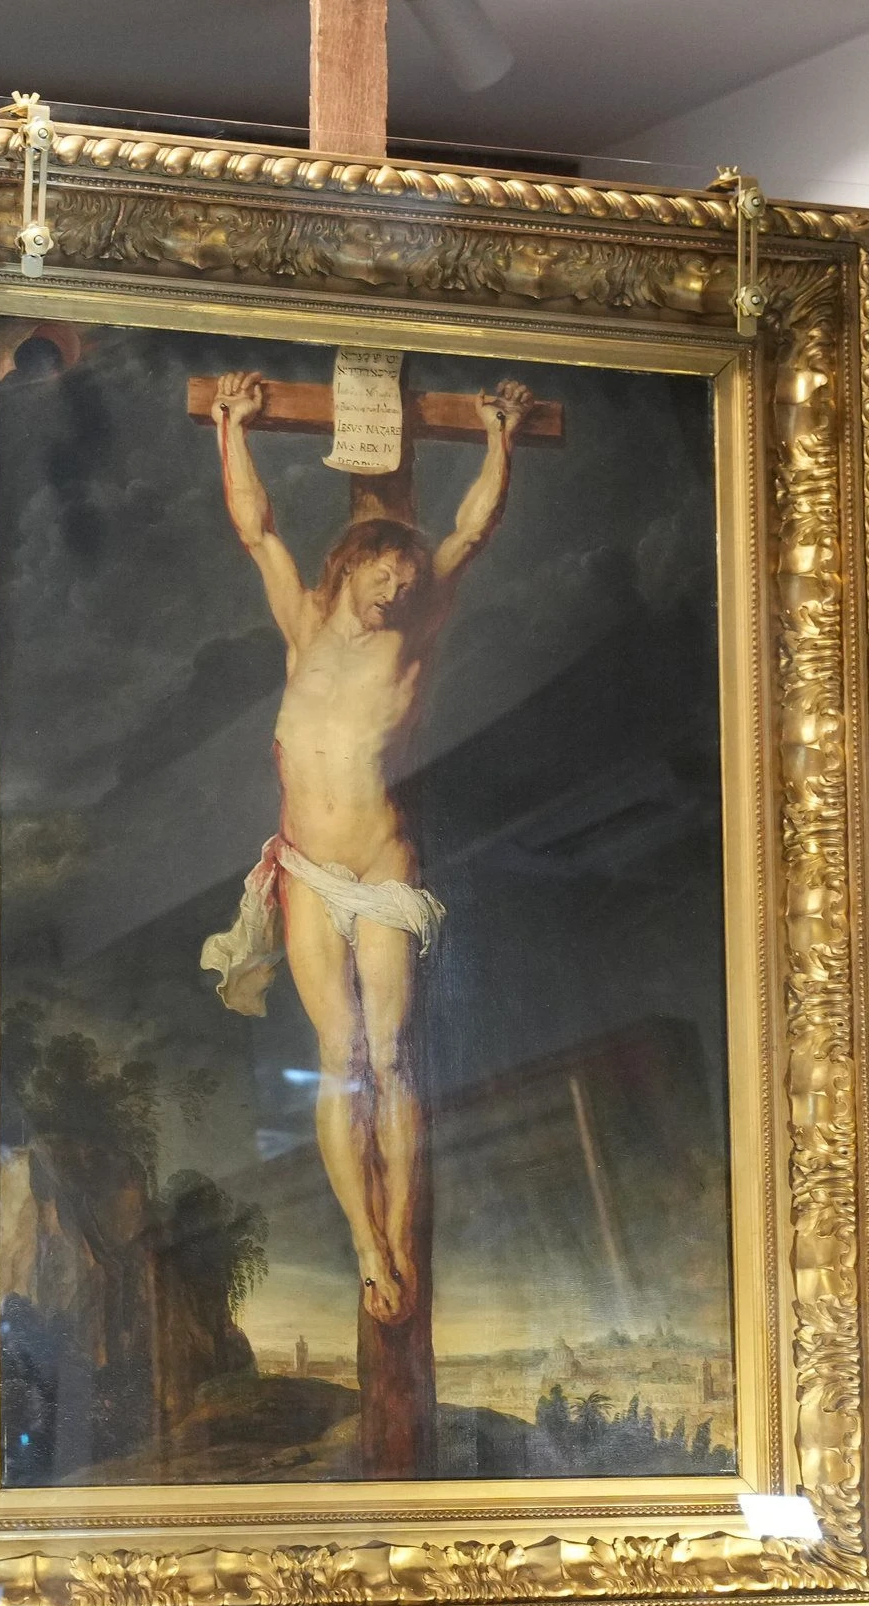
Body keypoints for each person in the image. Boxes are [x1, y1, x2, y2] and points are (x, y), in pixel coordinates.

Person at [194, 368, 532, 1326]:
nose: (398, 586)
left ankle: (399, 1227)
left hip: (381, 871)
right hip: (307, 869)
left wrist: (499, 436)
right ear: (349, 565)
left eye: (407, 580)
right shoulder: (303, 624)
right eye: (384, 572)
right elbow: (256, 529)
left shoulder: (412, 640)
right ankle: (366, 1242)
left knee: (390, 1059)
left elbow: (469, 534)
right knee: (341, 1056)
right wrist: (231, 425)